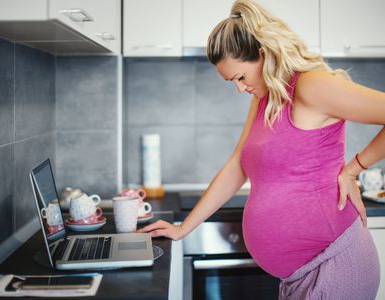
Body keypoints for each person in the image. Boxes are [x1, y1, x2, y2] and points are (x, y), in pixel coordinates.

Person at [137, 0, 385, 298]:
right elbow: (237, 166)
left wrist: (353, 169)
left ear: (264, 54)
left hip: (332, 266)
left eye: (241, 77)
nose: (240, 88)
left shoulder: (312, 85)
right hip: (299, 276)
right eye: (232, 81)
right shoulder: (265, 98)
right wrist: (183, 228)